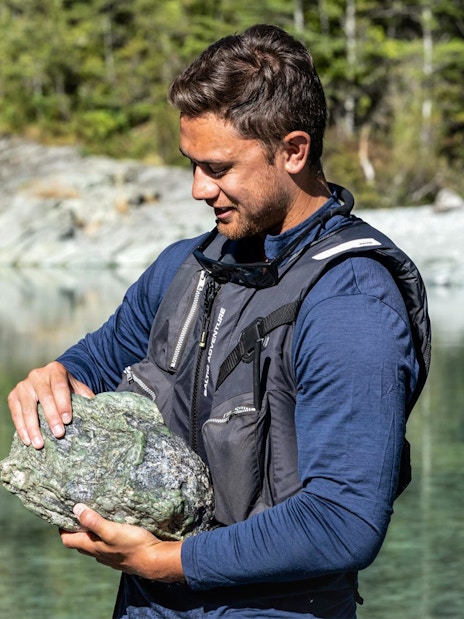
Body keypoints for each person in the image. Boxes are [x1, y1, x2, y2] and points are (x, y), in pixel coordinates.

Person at [8, 24, 430, 619]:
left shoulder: (353, 303)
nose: (197, 188)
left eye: (219, 167)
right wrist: (52, 376)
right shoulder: (185, 266)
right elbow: (98, 362)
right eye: (191, 163)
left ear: (293, 150)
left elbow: (345, 522)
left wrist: (171, 561)